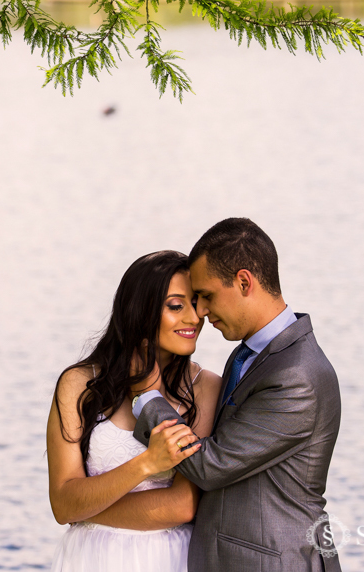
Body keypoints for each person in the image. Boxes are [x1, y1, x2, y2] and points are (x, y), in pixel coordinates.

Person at [131, 218, 343, 571]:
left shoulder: (297, 376)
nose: (199, 311)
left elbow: (211, 466)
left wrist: (148, 397)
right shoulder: (250, 353)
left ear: (244, 282)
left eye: (207, 296)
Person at [46, 250, 223, 572]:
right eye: (175, 306)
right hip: (89, 560)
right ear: (139, 310)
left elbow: (182, 506)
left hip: (168, 561)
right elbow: (61, 504)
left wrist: (83, 506)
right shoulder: (79, 384)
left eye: (196, 302)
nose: (195, 317)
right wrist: (147, 463)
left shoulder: (207, 388)